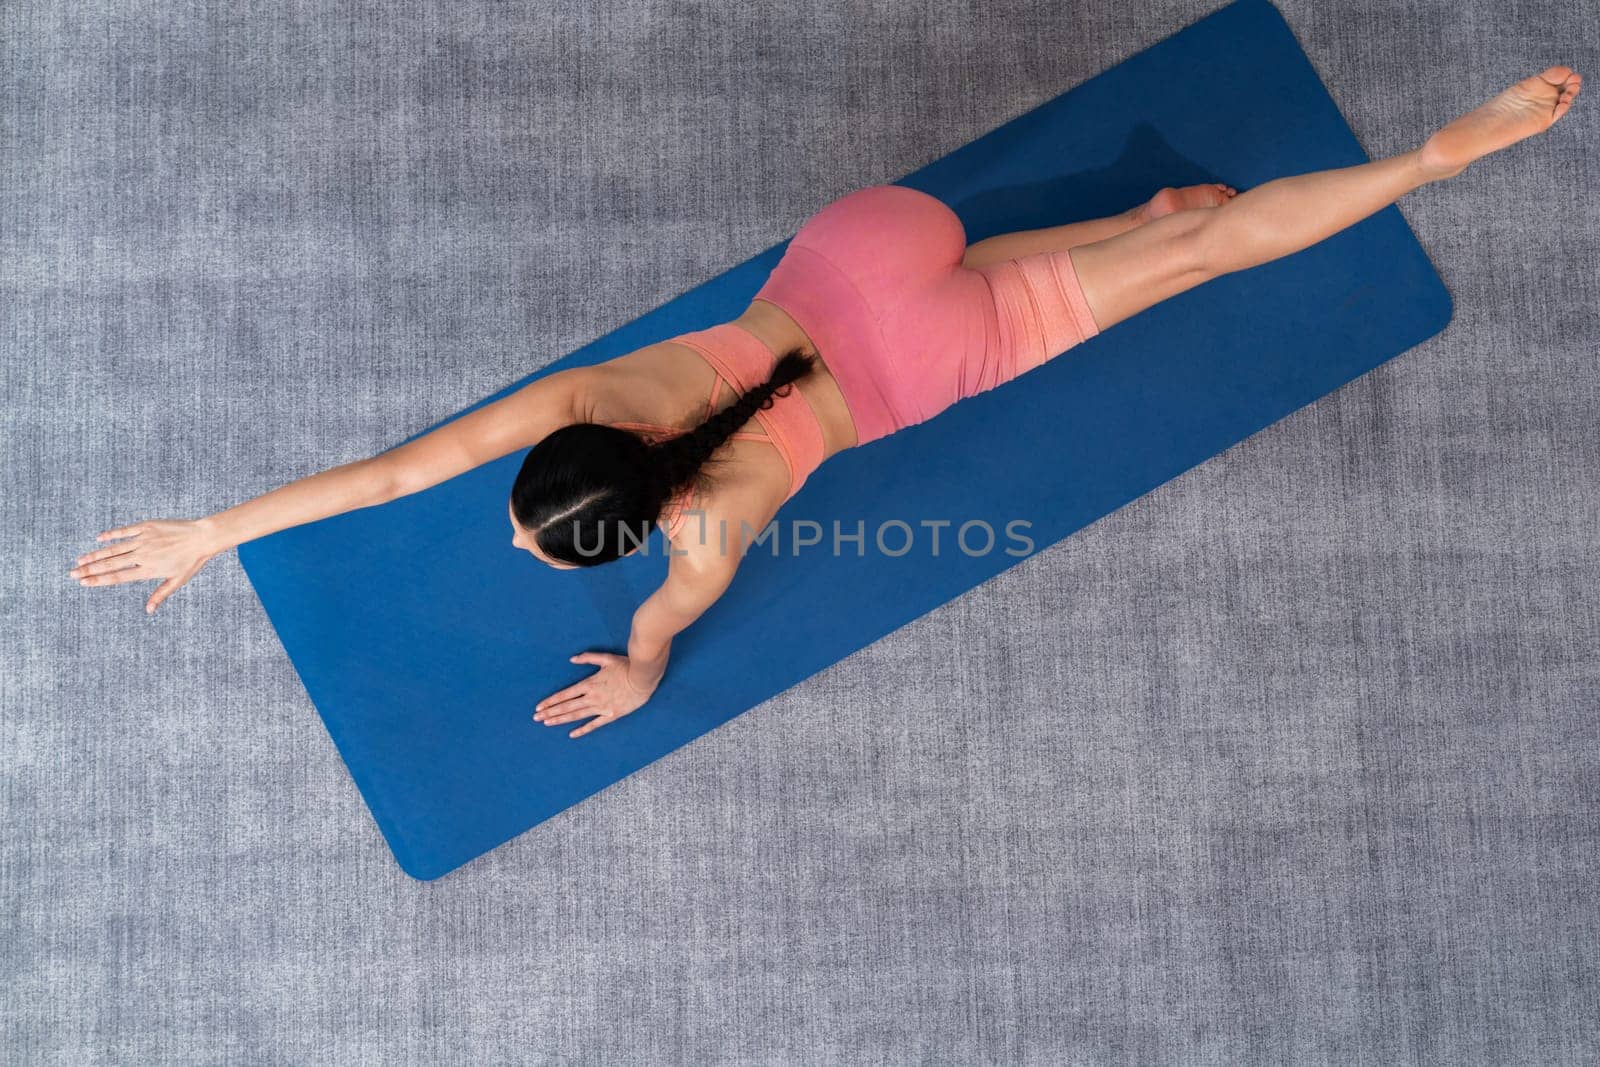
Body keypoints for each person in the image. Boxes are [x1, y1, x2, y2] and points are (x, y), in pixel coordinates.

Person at [71, 67, 1581, 737]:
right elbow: (398, 472)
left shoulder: (714, 535)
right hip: (866, 241)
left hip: (932, 353)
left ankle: (1418, 171)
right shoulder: (581, 395)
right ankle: (1178, 214)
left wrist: (646, 670)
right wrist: (213, 521)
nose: (522, 541)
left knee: (1195, 262)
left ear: (641, 514)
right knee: (1047, 254)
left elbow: (660, 634)